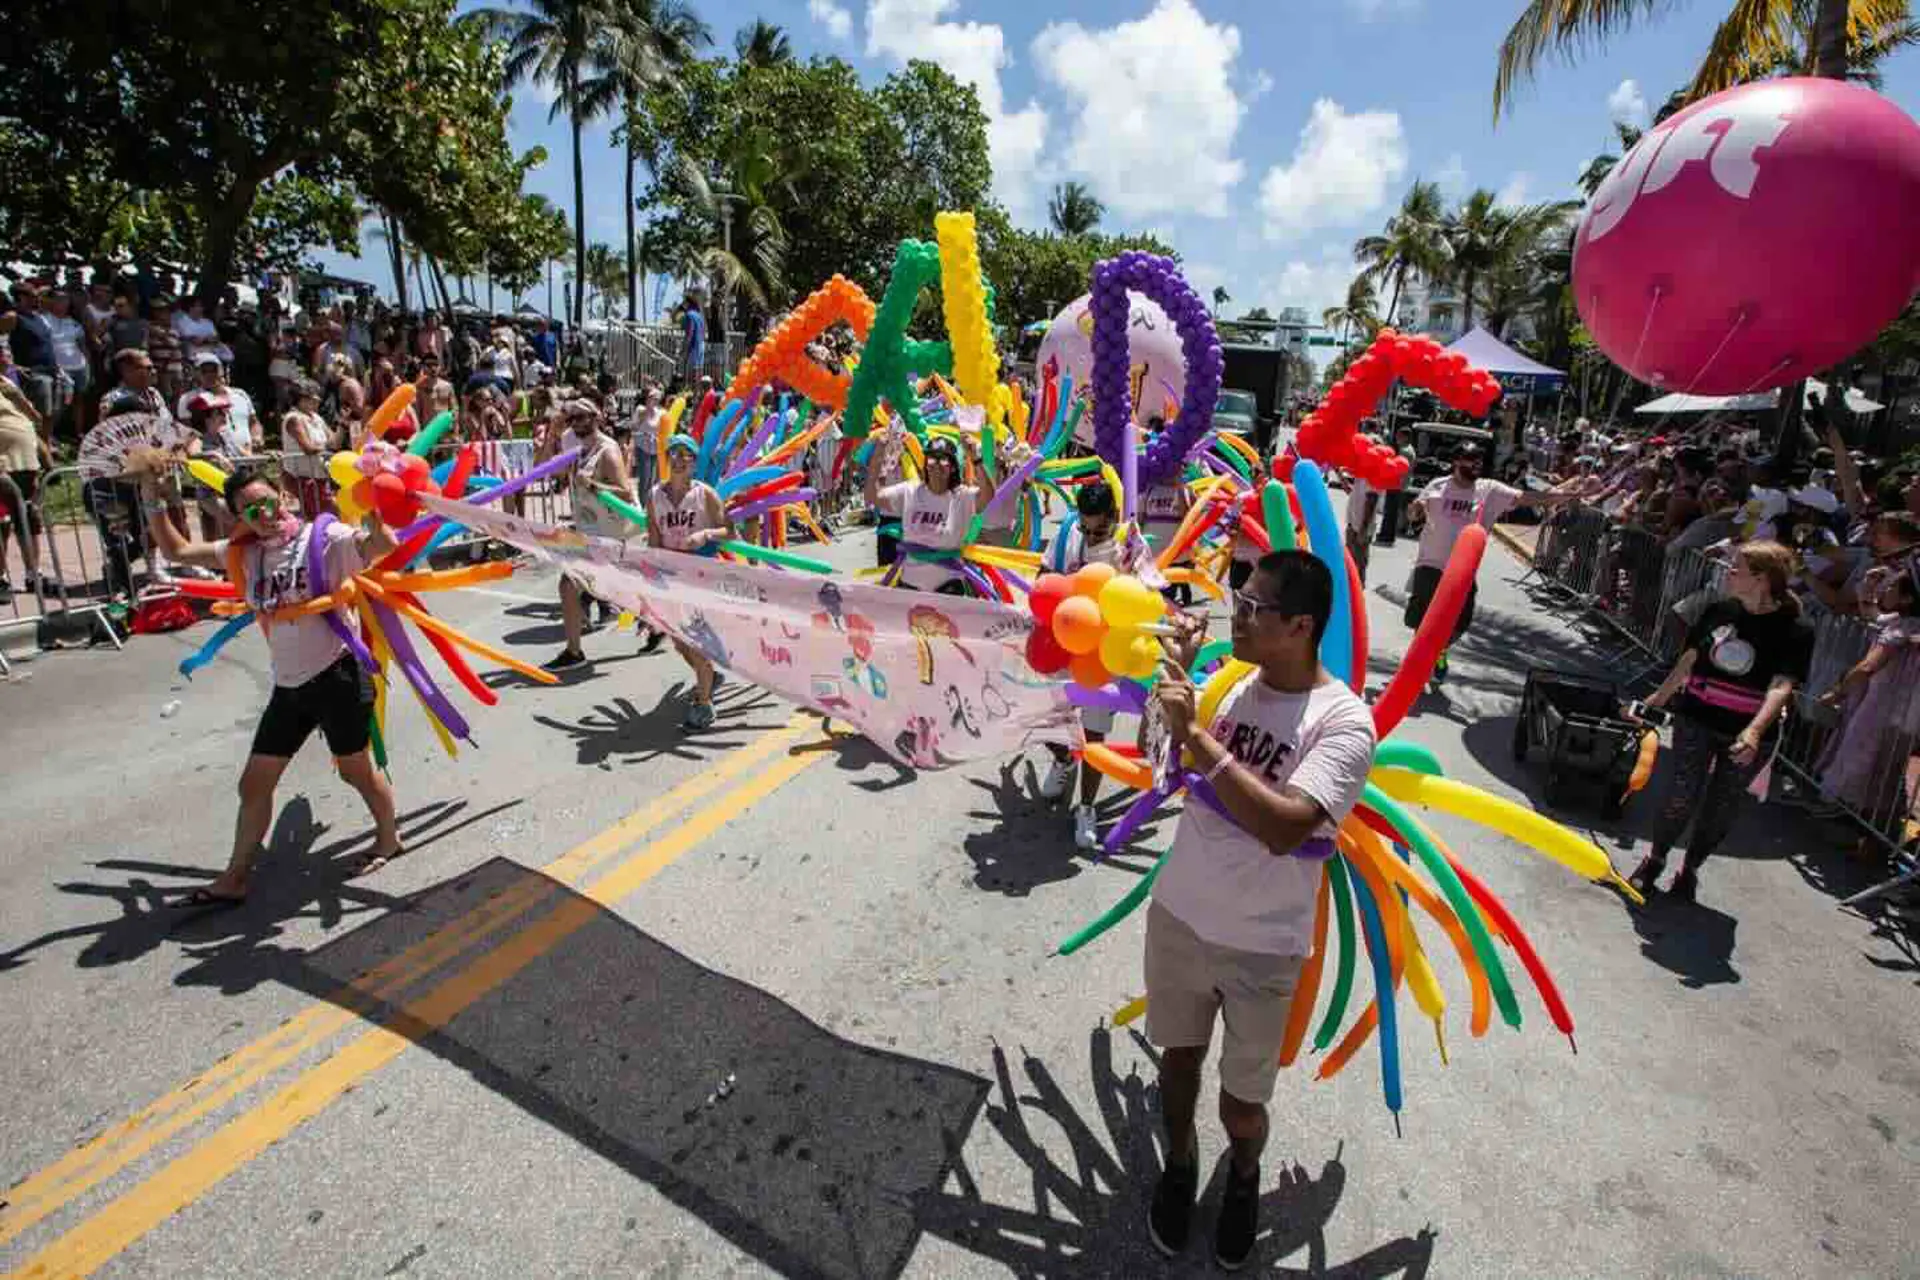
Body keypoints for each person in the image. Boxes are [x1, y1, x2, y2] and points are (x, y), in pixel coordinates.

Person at [1142, 550, 1377, 1268]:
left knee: (1242, 1102)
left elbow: (1285, 827)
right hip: (1180, 915)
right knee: (1178, 1060)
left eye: (1253, 607)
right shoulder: (1230, 685)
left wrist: (1197, 736)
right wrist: (1178, 685)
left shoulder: (1344, 723)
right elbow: (1166, 769)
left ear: (1301, 626)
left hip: (1263, 946)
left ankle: (1242, 1176)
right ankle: (1179, 1164)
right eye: (1237, 600)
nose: (1235, 617)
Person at [139, 466, 403, 904]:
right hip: (290, 687)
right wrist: (151, 494)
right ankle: (235, 878)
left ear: (282, 496)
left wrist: (376, 506)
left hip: (338, 676)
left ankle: (388, 838)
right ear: (238, 517)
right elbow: (177, 550)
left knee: (354, 770)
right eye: (249, 510)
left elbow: (380, 545)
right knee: (253, 785)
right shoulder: (245, 553)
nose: (263, 513)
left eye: (266, 501)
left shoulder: (325, 538)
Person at [1628, 541, 1813, 902]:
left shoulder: (1797, 629)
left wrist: (1754, 731)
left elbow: (1781, 685)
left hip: (1747, 731)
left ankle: (1690, 870)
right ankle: (1655, 859)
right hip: (1697, 715)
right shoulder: (1719, 610)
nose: (1729, 571)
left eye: (1736, 567)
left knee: (1722, 807)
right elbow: (1690, 659)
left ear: (1761, 578)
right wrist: (1658, 698)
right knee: (1682, 793)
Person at [1404, 444, 1576, 683]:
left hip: (1463, 571)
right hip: (1430, 564)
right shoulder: (1437, 485)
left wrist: (1565, 496)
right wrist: (1415, 510)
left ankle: (1440, 650)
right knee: (1421, 620)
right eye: (1470, 458)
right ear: (1456, 461)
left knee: (1460, 623)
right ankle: (1415, 669)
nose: (1476, 463)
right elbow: (1414, 513)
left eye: (1479, 459)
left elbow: (1525, 498)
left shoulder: (1489, 490)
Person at [1039, 483, 1135, 848]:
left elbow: (1144, 594)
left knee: (1094, 736)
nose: (1092, 537)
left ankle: (1086, 807)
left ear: (1114, 516)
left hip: (1101, 657)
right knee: (1046, 718)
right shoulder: (1067, 535)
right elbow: (1044, 578)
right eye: (1086, 528)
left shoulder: (1128, 546)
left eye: (1100, 530)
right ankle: (1064, 759)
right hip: (1063, 647)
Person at [542, 402, 644, 673]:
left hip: (609, 537)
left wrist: (592, 485)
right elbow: (545, 469)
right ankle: (575, 650)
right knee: (571, 585)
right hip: (589, 534)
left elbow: (624, 492)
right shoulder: (579, 452)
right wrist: (551, 434)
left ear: (595, 417)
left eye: (581, 417)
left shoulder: (606, 451)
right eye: (571, 418)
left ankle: (575, 651)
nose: (575, 422)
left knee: (572, 584)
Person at [645, 433, 732, 727]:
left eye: (686, 455)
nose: (679, 460)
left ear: (694, 462)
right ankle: (708, 675)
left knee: (695, 640)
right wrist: (651, 581)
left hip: (700, 577)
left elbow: (729, 530)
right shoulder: (654, 496)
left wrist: (705, 535)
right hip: (670, 578)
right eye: (674, 454)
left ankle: (704, 704)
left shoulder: (705, 494)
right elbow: (654, 541)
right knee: (679, 641)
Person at [864, 433, 994, 593]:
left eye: (943, 460)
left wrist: (976, 459)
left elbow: (988, 496)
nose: (937, 465)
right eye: (932, 460)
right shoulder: (910, 491)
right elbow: (872, 496)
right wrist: (878, 455)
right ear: (926, 464)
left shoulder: (962, 496)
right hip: (911, 587)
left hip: (948, 590)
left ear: (953, 467)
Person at [0, 370, 51, 602]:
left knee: (28, 518)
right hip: (3, 463)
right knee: (2, 522)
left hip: (24, 460)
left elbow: (34, 419)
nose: (6, 356)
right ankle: (1, 579)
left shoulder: (7, 383)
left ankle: (33, 575)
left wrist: (18, 398)